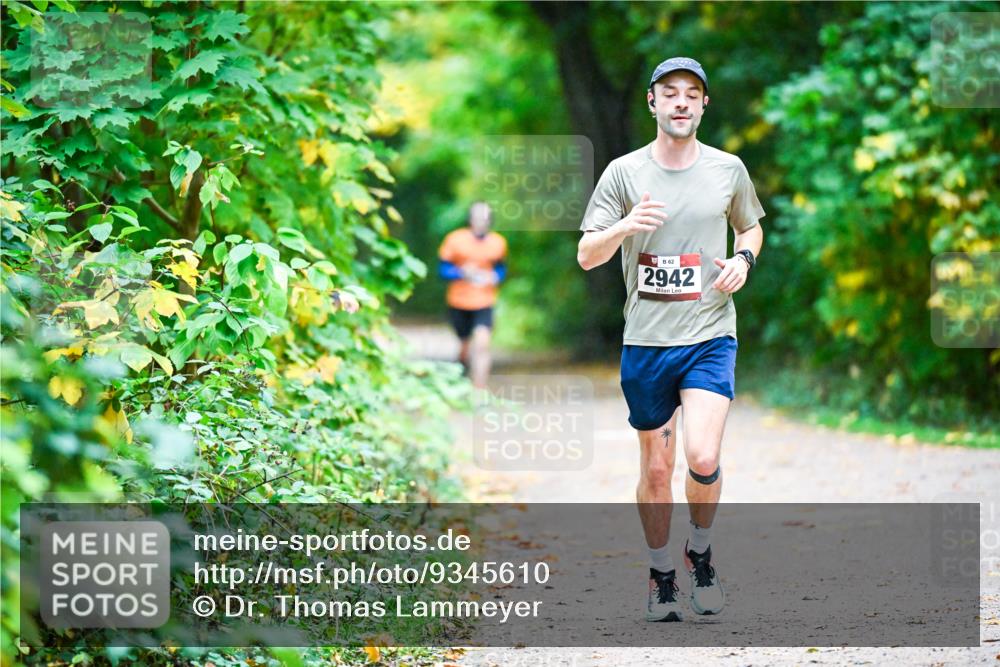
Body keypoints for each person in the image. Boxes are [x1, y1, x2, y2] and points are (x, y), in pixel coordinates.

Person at [577, 57, 765, 622]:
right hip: (647, 342)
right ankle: (662, 574)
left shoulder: (728, 169)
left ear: (704, 104)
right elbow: (587, 255)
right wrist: (624, 226)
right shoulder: (623, 173)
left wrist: (743, 260)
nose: (680, 101)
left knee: (703, 456)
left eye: (691, 93)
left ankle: (699, 553)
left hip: (710, 333)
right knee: (657, 471)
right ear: (652, 102)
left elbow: (750, 226)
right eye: (669, 92)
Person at [438, 201, 508, 389]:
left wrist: (494, 277)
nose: (481, 221)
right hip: (458, 301)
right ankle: (461, 371)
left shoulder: (498, 243)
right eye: (477, 217)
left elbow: (501, 269)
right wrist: (461, 273)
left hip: (484, 300)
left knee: (482, 343)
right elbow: (442, 270)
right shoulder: (455, 240)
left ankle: (479, 389)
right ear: (470, 219)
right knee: (464, 346)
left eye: (485, 217)